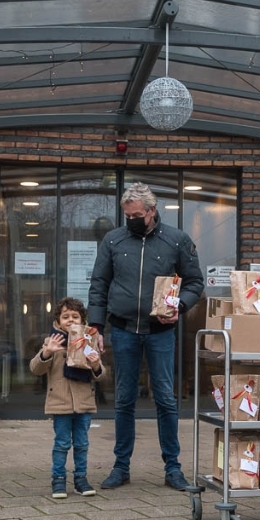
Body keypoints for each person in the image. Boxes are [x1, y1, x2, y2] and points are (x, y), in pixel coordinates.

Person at [88, 183, 204, 491]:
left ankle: (173, 468)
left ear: (152, 211)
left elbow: (195, 282)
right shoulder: (113, 240)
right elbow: (99, 284)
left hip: (160, 332)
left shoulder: (177, 241)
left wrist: (181, 304)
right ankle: (120, 467)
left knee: (165, 399)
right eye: (127, 215)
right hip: (124, 329)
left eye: (136, 214)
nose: (131, 219)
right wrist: (96, 327)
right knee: (124, 399)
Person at [29, 297, 104, 499]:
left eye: (75, 316)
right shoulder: (52, 341)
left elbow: (101, 374)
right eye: (65, 317)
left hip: (84, 403)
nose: (70, 320)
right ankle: (58, 479)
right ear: (58, 320)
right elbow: (35, 369)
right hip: (60, 403)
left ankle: (81, 479)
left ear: (83, 319)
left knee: (82, 443)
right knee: (62, 443)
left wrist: (96, 364)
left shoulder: (89, 340)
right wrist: (47, 352)